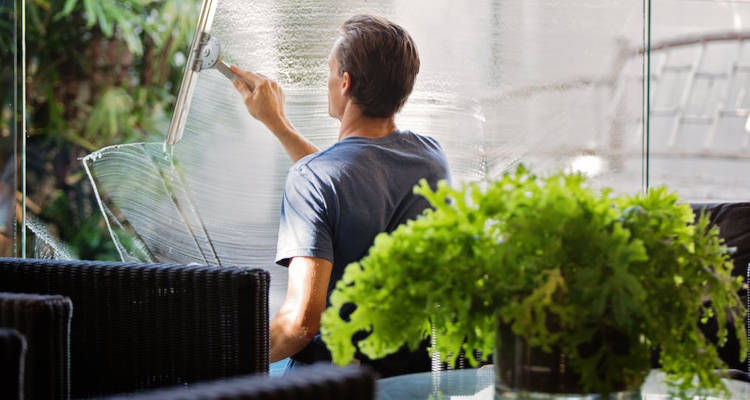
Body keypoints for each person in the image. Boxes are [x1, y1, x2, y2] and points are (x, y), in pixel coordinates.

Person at [231, 14, 450, 377]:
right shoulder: (431, 158)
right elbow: (354, 179)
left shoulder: (314, 179)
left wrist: (222, 354)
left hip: (335, 381)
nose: (328, 81)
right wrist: (278, 125)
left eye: (330, 71)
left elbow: (300, 325)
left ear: (345, 83)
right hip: (411, 377)